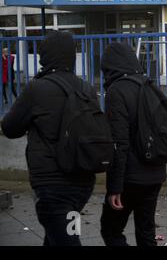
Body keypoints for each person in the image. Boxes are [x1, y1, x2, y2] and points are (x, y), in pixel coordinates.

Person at [1, 31, 97, 246]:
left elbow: (10, 127)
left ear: (45, 55)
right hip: (83, 181)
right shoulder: (86, 88)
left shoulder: (37, 88)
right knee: (59, 233)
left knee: (65, 239)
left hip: (51, 182)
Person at [100, 42, 166, 247]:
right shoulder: (150, 86)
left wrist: (114, 188)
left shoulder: (116, 91)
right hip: (155, 172)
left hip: (130, 177)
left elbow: (119, 143)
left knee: (111, 230)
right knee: (146, 232)